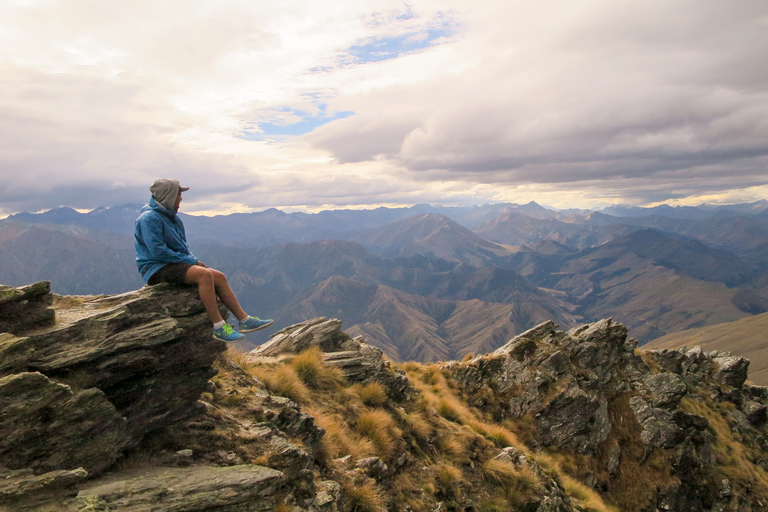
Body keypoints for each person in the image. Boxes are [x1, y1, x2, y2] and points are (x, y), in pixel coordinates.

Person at [134, 178, 272, 342]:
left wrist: (193, 260)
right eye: (179, 195)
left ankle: (245, 320)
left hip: (172, 263)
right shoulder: (149, 219)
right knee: (204, 276)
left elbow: (182, 246)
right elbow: (157, 252)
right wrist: (189, 261)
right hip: (156, 269)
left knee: (218, 276)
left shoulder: (172, 218)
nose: (181, 199)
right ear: (169, 196)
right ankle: (219, 327)